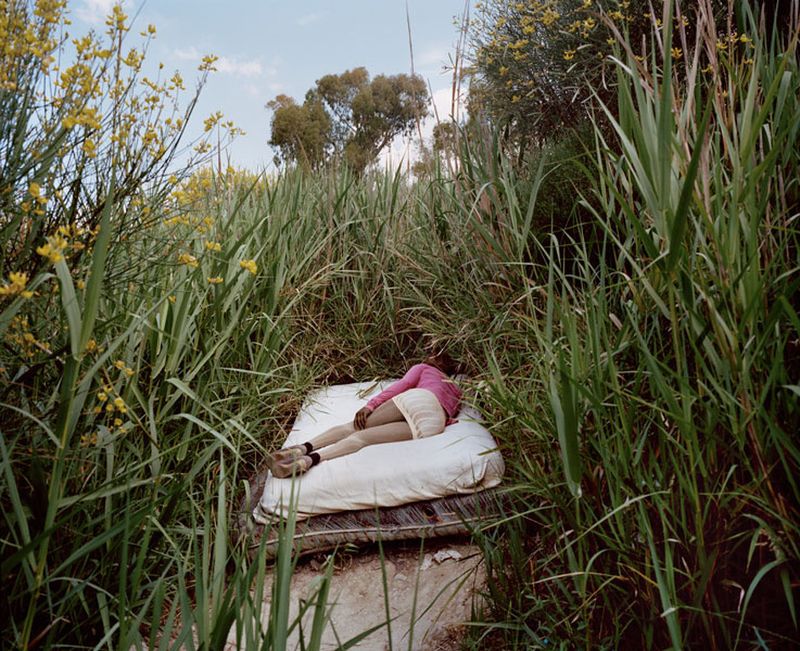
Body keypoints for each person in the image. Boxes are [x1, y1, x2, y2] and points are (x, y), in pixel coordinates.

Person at [270, 351, 462, 478]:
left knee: (354, 428)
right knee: (363, 439)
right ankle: (308, 461)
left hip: (421, 399)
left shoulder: (423, 368)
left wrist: (370, 406)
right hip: (435, 423)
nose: (428, 356)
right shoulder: (455, 389)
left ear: (439, 364)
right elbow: (450, 415)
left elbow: (401, 386)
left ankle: (300, 449)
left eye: (433, 355)